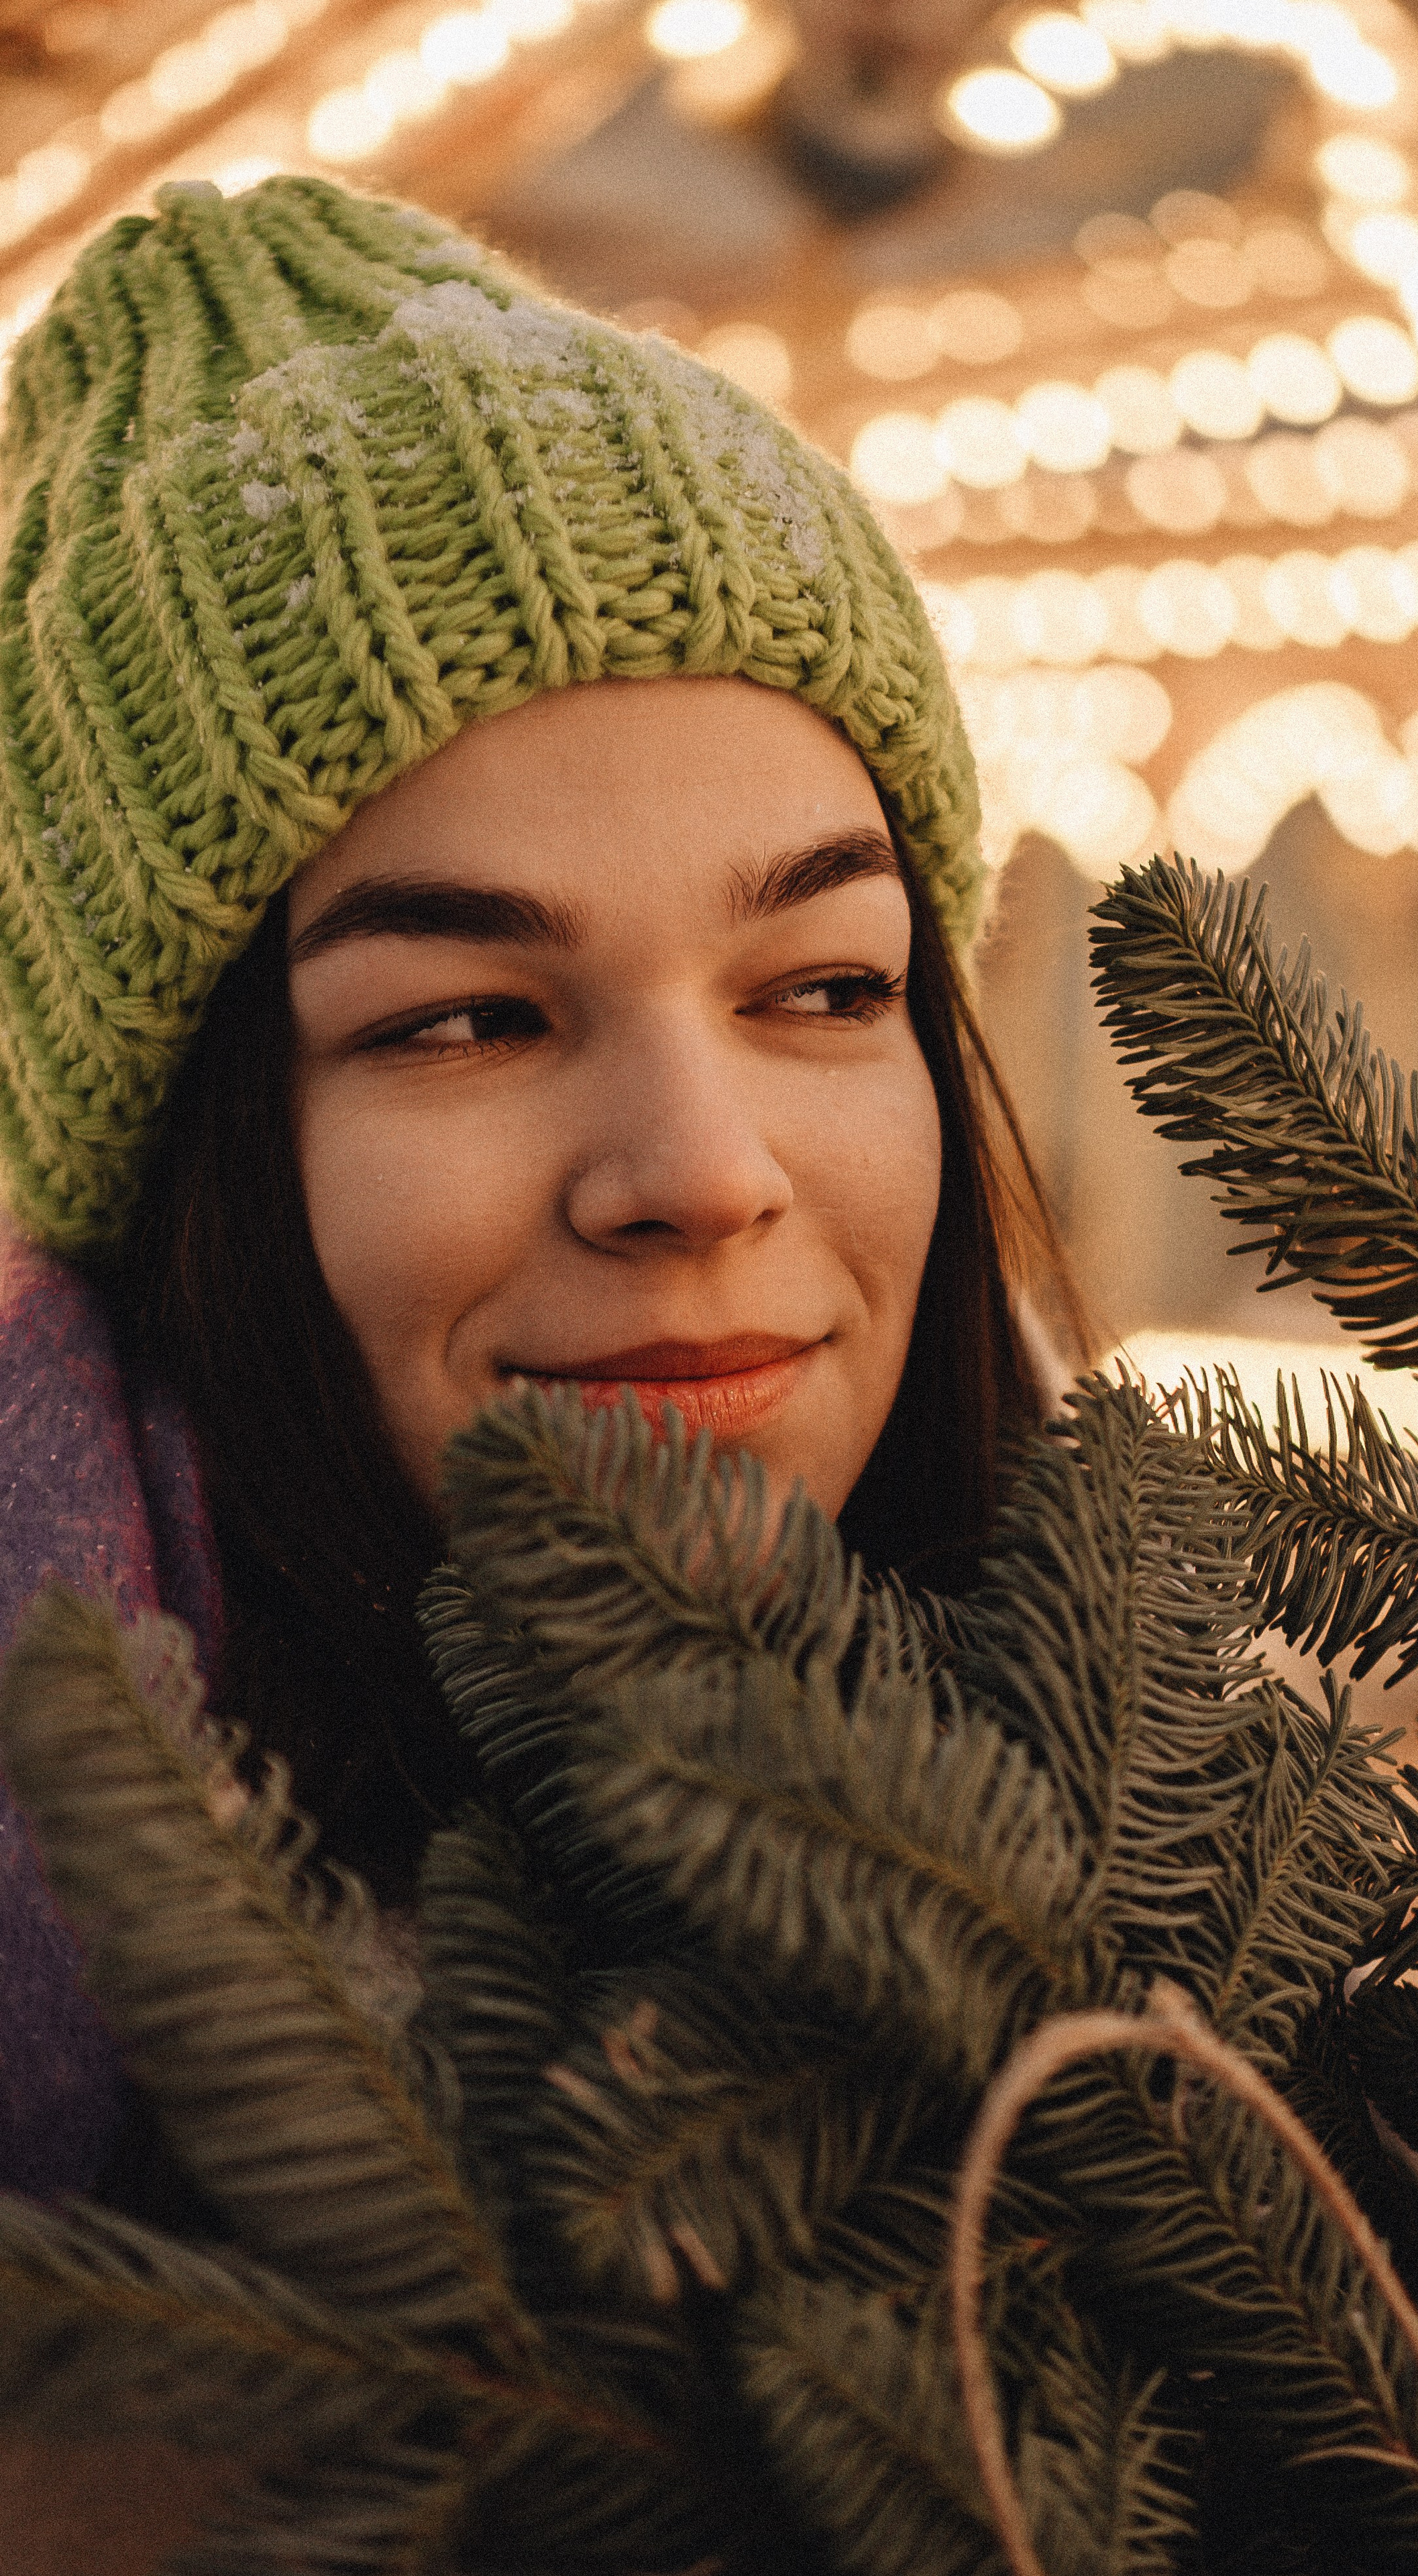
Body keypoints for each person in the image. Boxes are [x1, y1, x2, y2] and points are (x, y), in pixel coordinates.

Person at [0, 174, 1080, 2231]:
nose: (699, 1172)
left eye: (829, 988)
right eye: (469, 1020)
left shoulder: (1275, 1832)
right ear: (186, 1170)